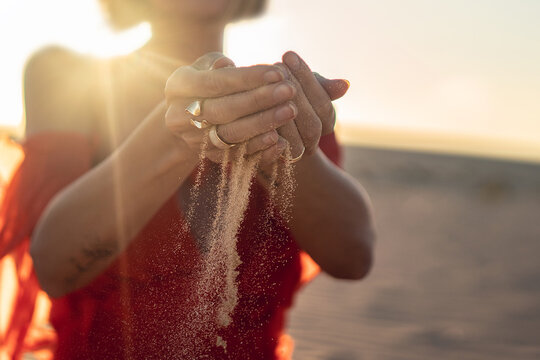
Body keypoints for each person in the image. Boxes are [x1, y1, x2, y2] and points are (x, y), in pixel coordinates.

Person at [0, 0, 375, 358]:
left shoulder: (290, 102)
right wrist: (178, 132)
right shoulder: (71, 79)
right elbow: (53, 266)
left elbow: (353, 257)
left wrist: (269, 130)